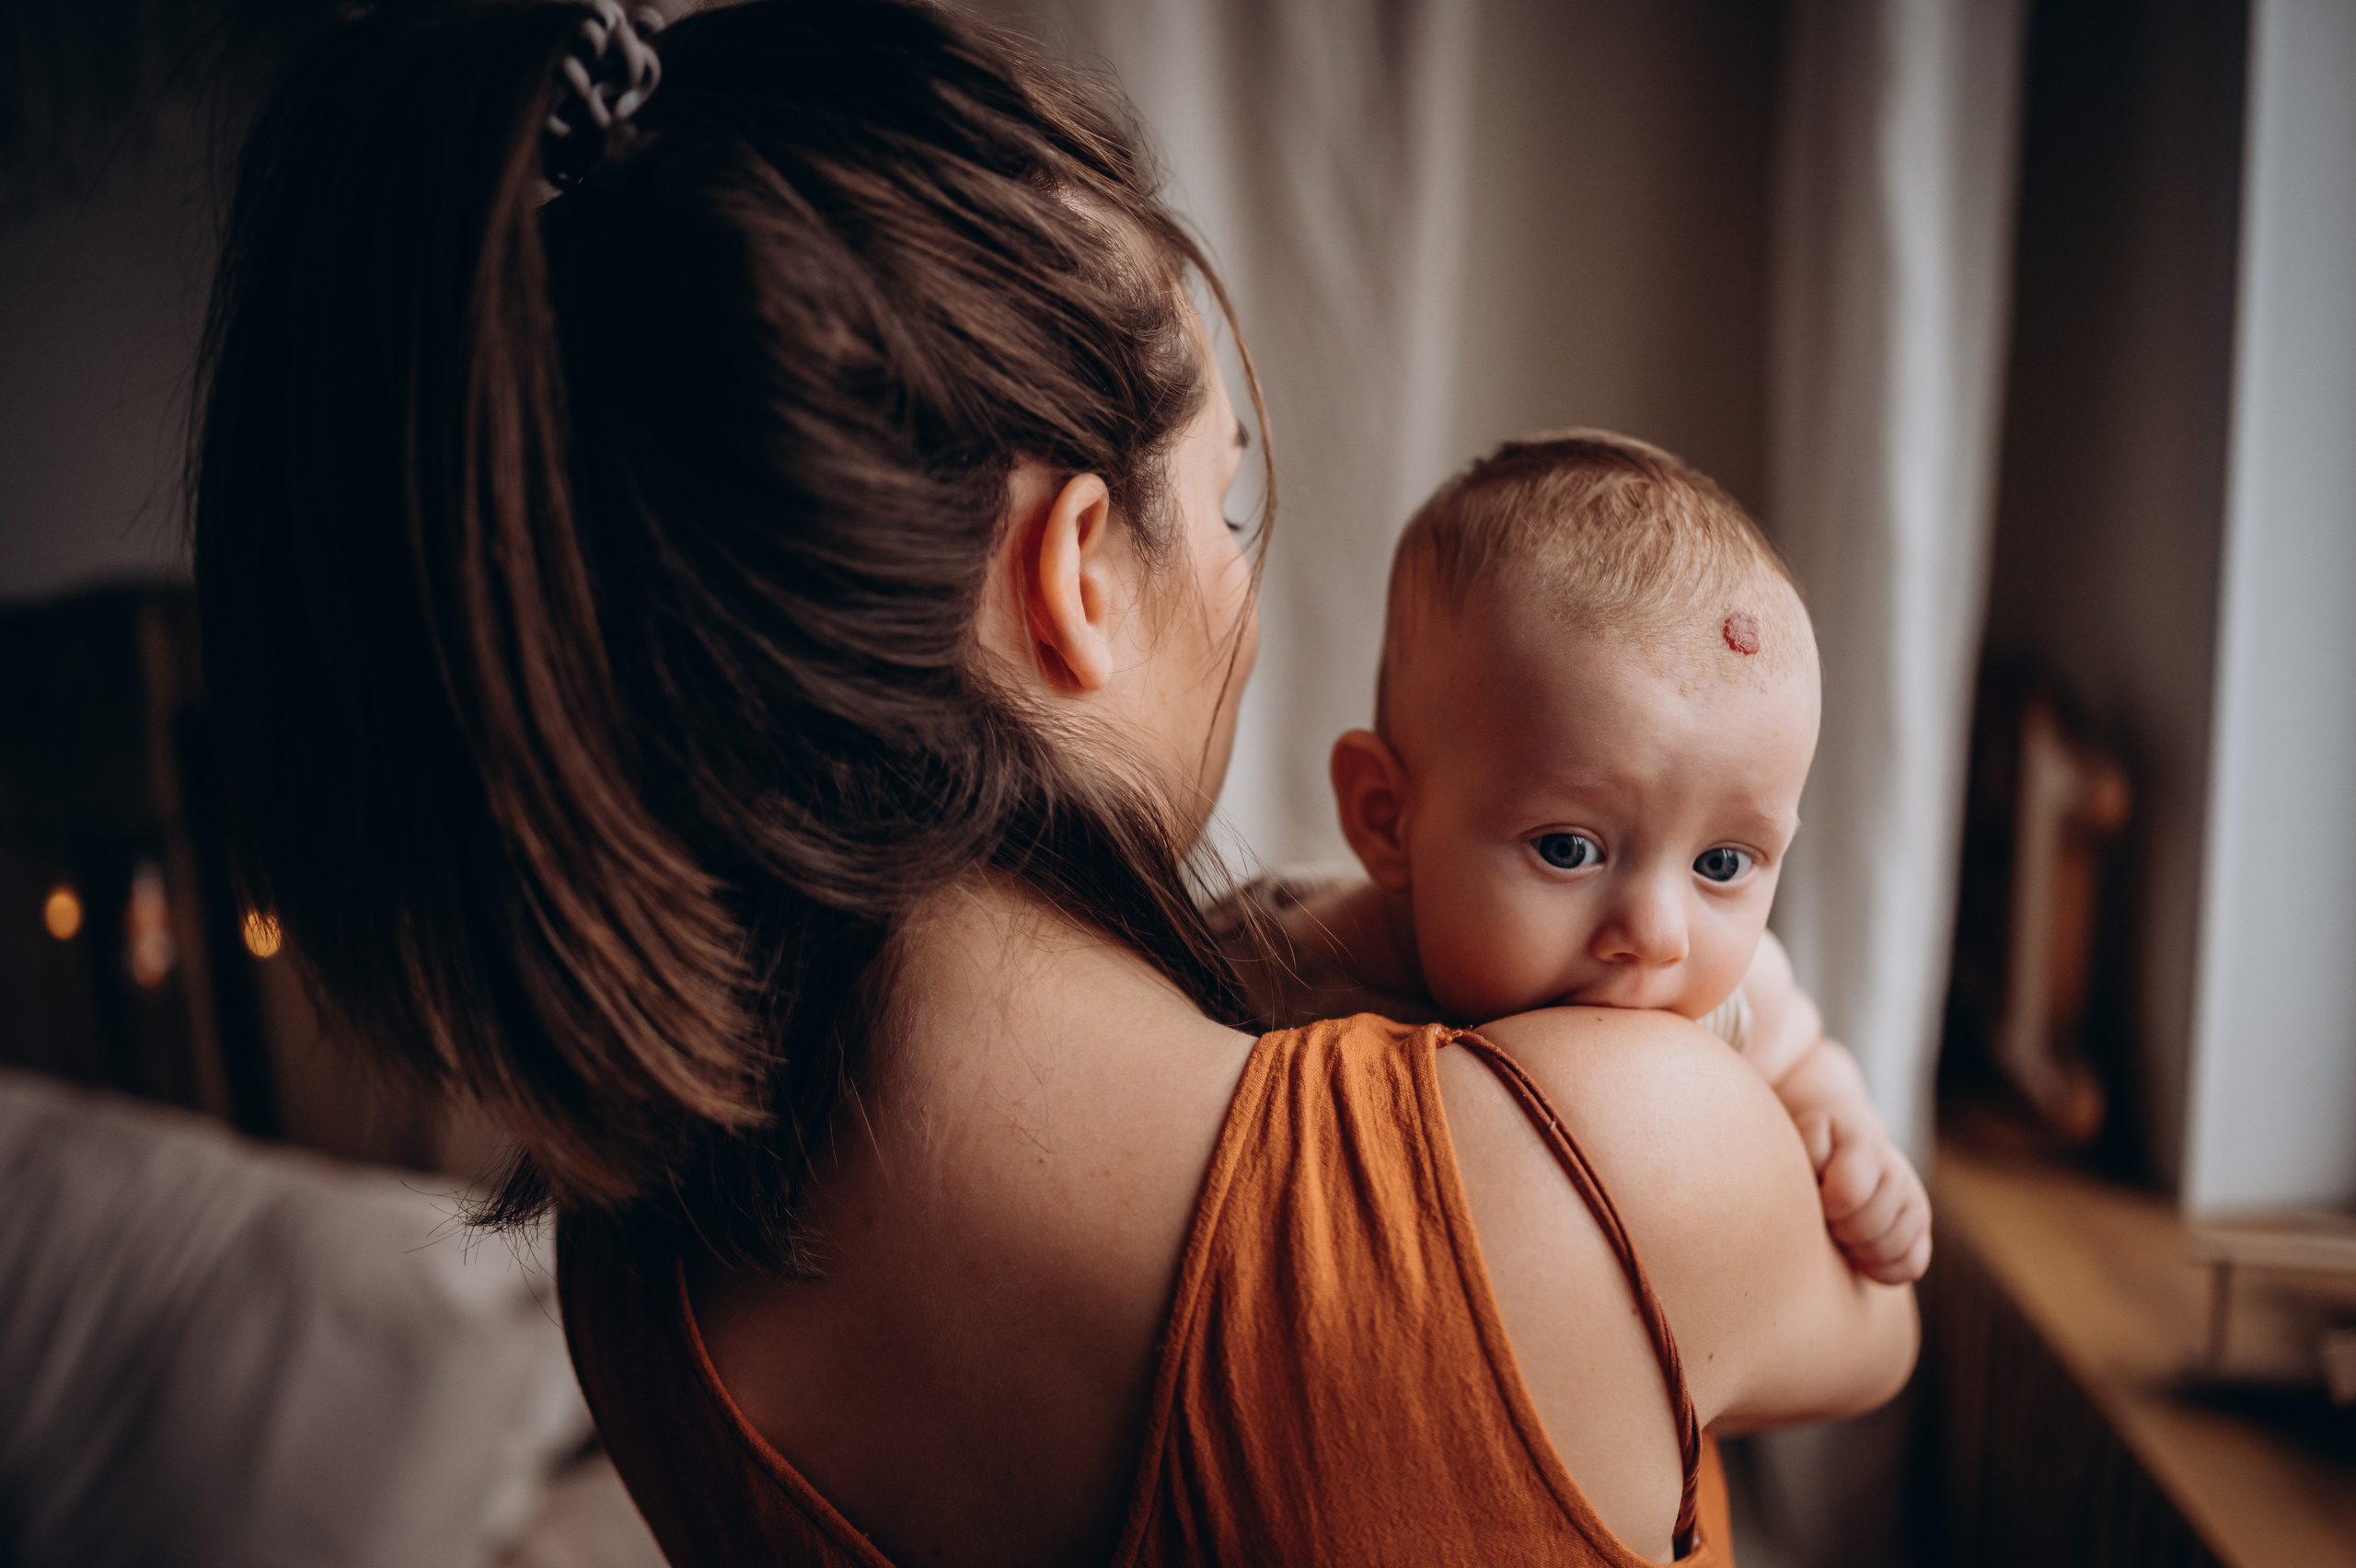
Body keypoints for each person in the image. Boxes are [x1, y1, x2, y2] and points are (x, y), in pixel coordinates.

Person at [191, 3, 1918, 1563]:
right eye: (1227, 508)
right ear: (1074, 572)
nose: (1244, 594)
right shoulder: (1606, 1150)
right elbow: (1872, 1311)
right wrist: (1779, 1050)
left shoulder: (638, 1268)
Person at [1225, 432, 1932, 1286]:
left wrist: (1842, 1131)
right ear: (1387, 818)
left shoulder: (1721, 1007)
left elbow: (1804, 1055)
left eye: (1722, 865)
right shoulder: (1266, 977)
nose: (1658, 935)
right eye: (1569, 849)